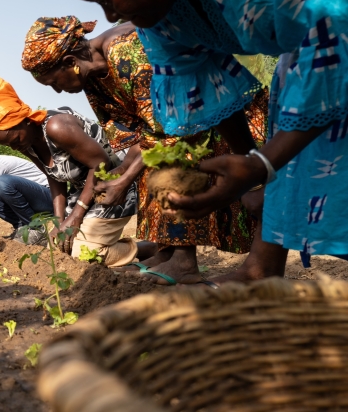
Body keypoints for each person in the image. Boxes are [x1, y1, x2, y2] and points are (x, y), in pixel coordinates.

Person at [52, 0, 348, 275]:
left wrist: (263, 163)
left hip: (335, 40)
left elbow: (333, 47)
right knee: (299, 175)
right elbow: (205, 84)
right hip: (311, 60)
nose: (109, 16)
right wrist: (252, 172)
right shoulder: (161, 14)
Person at [22, 16, 268, 285]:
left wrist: (124, 180)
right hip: (181, 123)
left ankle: (184, 262)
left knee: (174, 160)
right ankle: (167, 253)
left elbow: (169, 129)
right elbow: (143, 135)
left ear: (70, 62)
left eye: (54, 82)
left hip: (224, 114)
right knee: (150, 166)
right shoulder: (94, 80)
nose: (57, 91)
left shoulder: (126, 52)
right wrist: (121, 171)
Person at [0, 76, 148, 266]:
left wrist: (76, 215)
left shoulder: (56, 127)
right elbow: (54, 178)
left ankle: (143, 249)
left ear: (25, 121)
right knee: (59, 247)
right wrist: (59, 221)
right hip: (83, 194)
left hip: (112, 186)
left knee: (81, 254)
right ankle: (109, 246)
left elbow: (101, 163)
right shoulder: (27, 144)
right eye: (8, 145)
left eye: (15, 140)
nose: (14, 147)